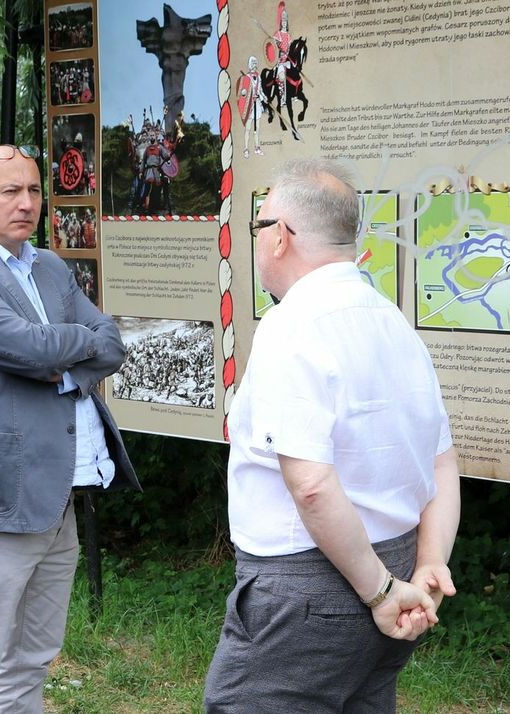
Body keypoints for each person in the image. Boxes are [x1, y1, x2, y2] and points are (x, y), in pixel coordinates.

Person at [203, 158, 461, 712]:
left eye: (258, 226)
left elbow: (313, 485)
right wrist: (430, 561)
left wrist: (381, 591)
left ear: (280, 237)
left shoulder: (290, 327)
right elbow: (442, 461)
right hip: (392, 564)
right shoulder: (394, 322)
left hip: (312, 585)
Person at [0, 145, 140, 713]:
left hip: (56, 495)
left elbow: (110, 342)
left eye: (34, 191)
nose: (26, 203)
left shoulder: (48, 266)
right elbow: (28, 348)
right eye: (9, 191)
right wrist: (72, 348)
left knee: (31, 661)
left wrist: (65, 355)